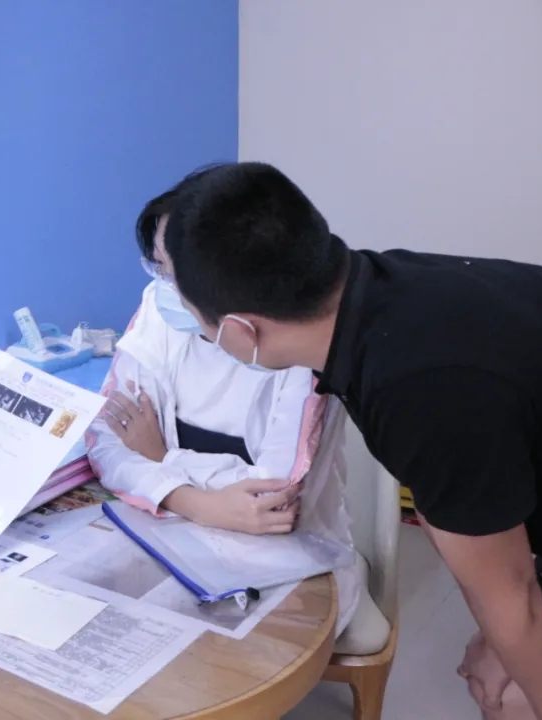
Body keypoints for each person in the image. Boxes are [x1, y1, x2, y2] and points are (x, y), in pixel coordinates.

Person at [162, 162, 542, 720]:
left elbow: (512, 598)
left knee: (514, 698)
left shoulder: (418, 388)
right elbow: (467, 516)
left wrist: (516, 636)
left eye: (191, 314)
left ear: (239, 330)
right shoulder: (374, 291)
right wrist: (503, 630)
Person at [87, 184, 377, 641]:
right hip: (168, 538)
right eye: (158, 265)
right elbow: (106, 438)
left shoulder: (295, 344)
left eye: (175, 268)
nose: (165, 284)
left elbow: (275, 499)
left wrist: (161, 459)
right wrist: (198, 502)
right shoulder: (159, 310)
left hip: (290, 562)